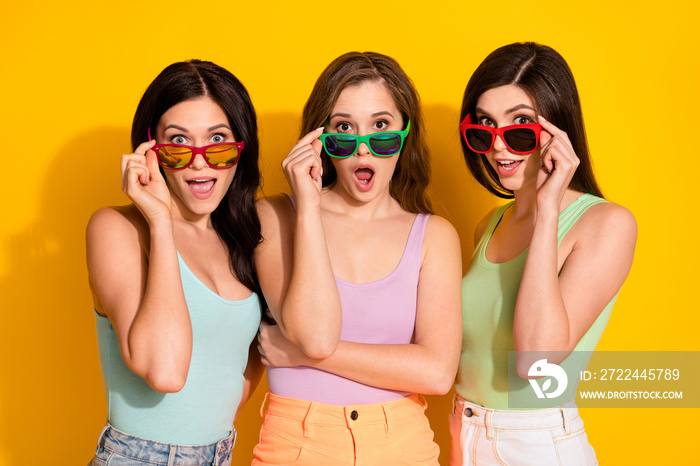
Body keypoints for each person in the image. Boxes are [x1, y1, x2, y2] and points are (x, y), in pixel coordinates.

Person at [253, 51, 462, 465]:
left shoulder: (434, 236)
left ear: (405, 133)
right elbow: (313, 332)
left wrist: (300, 355)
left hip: (402, 445)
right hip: (296, 445)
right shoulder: (275, 217)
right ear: (319, 139)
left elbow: (437, 372)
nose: (363, 149)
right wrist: (309, 207)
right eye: (344, 129)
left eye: (381, 128)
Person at [450, 42, 637, 465]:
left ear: (558, 130)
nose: (499, 147)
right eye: (485, 126)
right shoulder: (490, 224)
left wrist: (547, 208)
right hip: (465, 432)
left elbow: (536, 359)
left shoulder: (606, 224)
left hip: (534, 443)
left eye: (520, 125)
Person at [86, 59, 263, 465]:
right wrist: (161, 221)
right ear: (151, 149)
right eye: (178, 142)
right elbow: (165, 372)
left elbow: (252, 353)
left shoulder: (243, 236)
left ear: (241, 146)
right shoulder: (118, 228)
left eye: (218, 140)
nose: (200, 161)